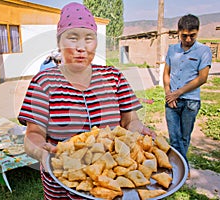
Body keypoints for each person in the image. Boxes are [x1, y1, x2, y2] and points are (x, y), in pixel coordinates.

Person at [18, 2, 156, 199]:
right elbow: (33, 134)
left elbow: (129, 120)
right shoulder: (44, 82)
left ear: (96, 42)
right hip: (62, 184)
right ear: (59, 43)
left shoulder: (114, 77)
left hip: (110, 183)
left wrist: (136, 131)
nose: (81, 47)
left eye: (88, 38)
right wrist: (43, 154)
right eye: (72, 38)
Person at [163, 14, 212, 178]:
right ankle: (183, 171)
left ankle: (179, 169)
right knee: (174, 138)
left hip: (191, 101)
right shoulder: (172, 49)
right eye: (184, 35)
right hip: (172, 101)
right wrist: (168, 92)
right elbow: (166, 73)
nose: (188, 39)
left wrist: (178, 92)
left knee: (184, 138)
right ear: (178, 32)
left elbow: (202, 78)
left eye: (192, 35)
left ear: (197, 32)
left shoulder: (204, 51)